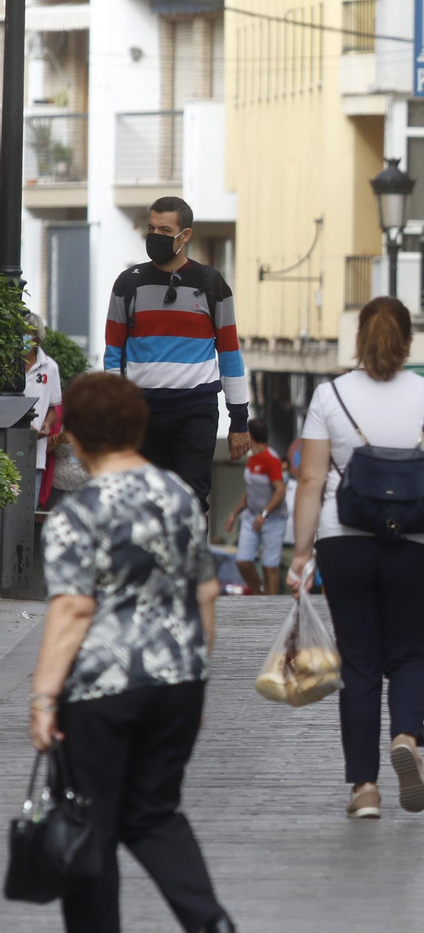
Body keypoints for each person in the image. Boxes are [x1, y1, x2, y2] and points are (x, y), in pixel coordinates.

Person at [28, 372, 235, 933]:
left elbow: (72, 610)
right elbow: (206, 593)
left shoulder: (79, 513)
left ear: (74, 436)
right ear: (138, 428)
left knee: (87, 818)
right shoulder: (180, 500)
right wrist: (196, 669)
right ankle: (208, 920)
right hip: (179, 683)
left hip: (103, 689)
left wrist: (44, 697)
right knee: (154, 814)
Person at [291, 297, 424, 818]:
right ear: (408, 342)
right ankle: (406, 735)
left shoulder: (329, 395)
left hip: (344, 539)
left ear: (359, 339)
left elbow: (311, 480)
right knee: (410, 653)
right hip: (416, 541)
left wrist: (300, 552)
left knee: (358, 663)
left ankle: (364, 789)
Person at [104, 196, 250, 509]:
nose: (155, 236)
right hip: (141, 412)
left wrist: (239, 420)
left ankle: (190, 559)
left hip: (195, 410)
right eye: (151, 228)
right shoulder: (128, 284)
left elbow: (229, 353)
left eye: (165, 229)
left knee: (191, 503)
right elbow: (113, 353)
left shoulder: (212, 284)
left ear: (185, 236)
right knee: (143, 504)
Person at [224, 419, 287, 595]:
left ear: (249, 435)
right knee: (243, 560)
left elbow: (280, 491)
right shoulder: (252, 458)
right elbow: (250, 492)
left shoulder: (271, 459)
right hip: (251, 516)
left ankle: (271, 605)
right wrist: (234, 513)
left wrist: (264, 514)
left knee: (269, 565)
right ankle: (257, 595)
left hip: (273, 519)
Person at [22, 315, 63, 507]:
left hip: (35, 453)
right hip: (6, 446)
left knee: (28, 512)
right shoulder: (6, 365)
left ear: (36, 341)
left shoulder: (50, 368)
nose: (21, 338)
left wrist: (46, 425)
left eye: (26, 335)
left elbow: (54, 408)